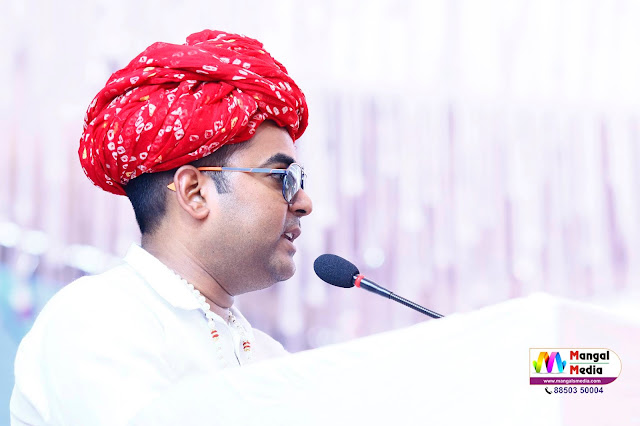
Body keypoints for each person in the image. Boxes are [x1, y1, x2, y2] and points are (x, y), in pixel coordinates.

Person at [10, 29, 313, 426]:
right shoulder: (99, 317)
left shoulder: (268, 356)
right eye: (281, 178)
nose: (304, 203)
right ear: (194, 192)